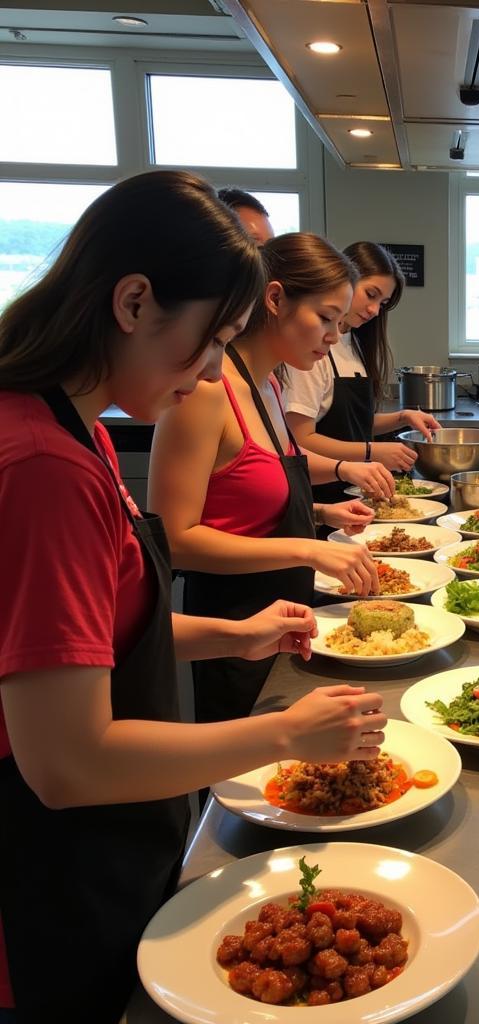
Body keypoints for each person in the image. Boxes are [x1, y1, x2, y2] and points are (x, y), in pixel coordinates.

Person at [0, 170, 387, 1024]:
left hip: (114, 839)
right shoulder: (42, 466)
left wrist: (232, 634)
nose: (214, 368)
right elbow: (68, 763)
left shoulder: (78, 430)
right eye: (212, 339)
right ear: (134, 302)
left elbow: (90, 633)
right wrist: (287, 731)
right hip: (51, 870)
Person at [148, 232, 382, 725]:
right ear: (275, 299)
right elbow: (174, 538)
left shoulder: (270, 384)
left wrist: (321, 511)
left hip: (286, 621)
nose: (335, 337)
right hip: (236, 627)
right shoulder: (208, 393)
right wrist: (308, 547)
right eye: (325, 318)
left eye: (340, 322)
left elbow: (254, 492)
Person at [285, 241, 441, 502]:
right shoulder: (312, 350)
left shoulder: (354, 342)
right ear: (345, 281)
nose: (375, 310)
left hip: (353, 495)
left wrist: (402, 417)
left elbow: (351, 424)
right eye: (371, 294)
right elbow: (302, 440)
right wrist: (371, 451)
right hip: (321, 497)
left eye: (383, 302)